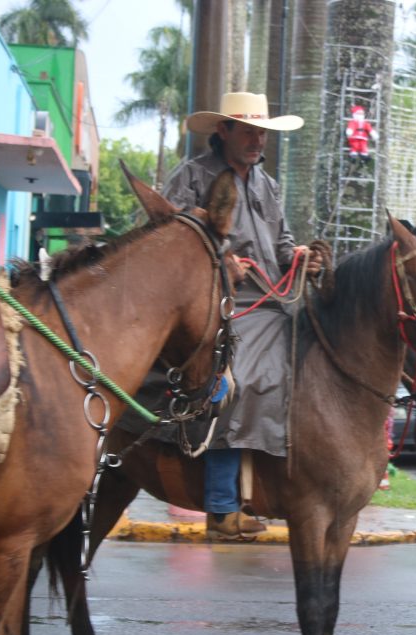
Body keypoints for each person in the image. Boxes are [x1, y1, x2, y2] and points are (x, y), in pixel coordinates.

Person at [163, 92, 321, 539]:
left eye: (262, 132)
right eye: (248, 131)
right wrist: (219, 260)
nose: (257, 140)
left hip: (272, 303)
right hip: (221, 302)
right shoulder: (192, 176)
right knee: (242, 380)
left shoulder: (267, 185)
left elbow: (283, 244)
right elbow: (167, 234)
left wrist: (302, 257)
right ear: (223, 131)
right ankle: (221, 506)